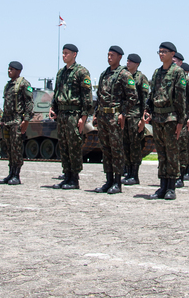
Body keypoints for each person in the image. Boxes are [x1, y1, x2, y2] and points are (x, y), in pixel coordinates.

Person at [144, 42, 187, 200]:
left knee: (171, 153)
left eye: (164, 52)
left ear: (172, 54)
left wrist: (180, 121)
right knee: (161, 153)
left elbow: (181, 98)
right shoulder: (157, 73)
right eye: (159, 52)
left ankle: (171, 187)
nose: (161, 54)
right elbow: (152, 94)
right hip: (158, 118)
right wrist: (147, 110)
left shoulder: (178, 72)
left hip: (171, 118)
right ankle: (162, 186)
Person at [92, 47, 137, 194]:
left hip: (115, 117)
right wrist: (96, 114)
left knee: (116, 150)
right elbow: (99, 96)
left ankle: (117, 182)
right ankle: (109, 180)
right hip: (103, 117)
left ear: (120, 57)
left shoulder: (124, 74)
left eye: (112, 55)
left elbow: (132, 96)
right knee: (106, 150)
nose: (109, 57)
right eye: (108, 55)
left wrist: (123, 113)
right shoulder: (104, 74)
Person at [49, 44, 93, 190]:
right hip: (61, 114)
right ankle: (66, 175)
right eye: (62, 53)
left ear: (74, 54)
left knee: (74, 146)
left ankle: (74, 179)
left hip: (74, 115)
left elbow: (87, 96)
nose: (63, 56)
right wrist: (53, 107)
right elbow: (57, 92)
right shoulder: (61, 73)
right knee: (64, 146)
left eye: (66, 53)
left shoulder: (81, 72)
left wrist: (84, 117)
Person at [0, 61, 34, 186]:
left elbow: (29, 103)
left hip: (17, 120)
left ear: (18, 71)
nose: (9, 71)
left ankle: (16, 175)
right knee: (9, 149)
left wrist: (26, 120)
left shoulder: (23, 84)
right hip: (7, 120)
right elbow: (5, 104)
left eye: (12, 69)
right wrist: (2, 121)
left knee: (17, 148)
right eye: (8, 69)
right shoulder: (8, 85)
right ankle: (11, 173)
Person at [122, 54, 151, 185]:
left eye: (130, 61)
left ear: (137, 64)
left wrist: (142, 119)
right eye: (127, 61)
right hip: (125, 114)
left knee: (135, 146)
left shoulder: (141, 78)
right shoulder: (124, 76)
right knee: (126, 145)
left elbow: (145, 100)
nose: (128, 63)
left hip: (136, 115)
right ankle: (128, 172)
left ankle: (135, 174)